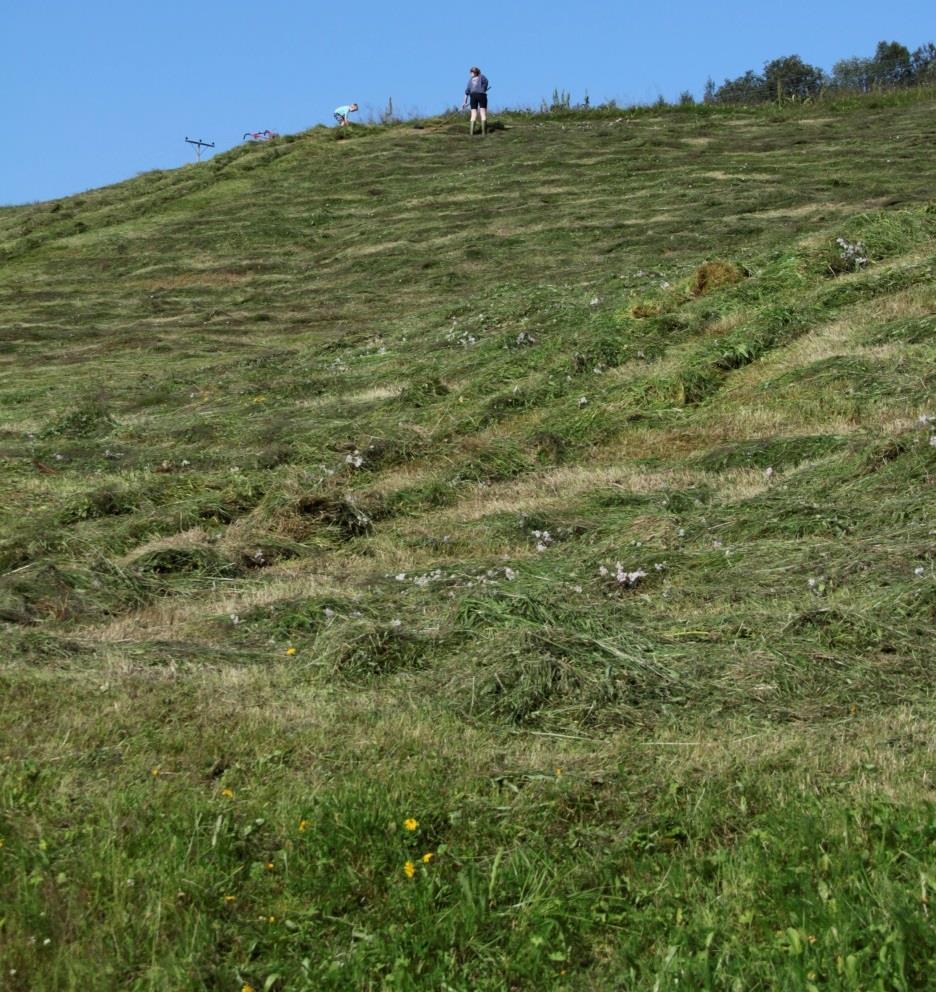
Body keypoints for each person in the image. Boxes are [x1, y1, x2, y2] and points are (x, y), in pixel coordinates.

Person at [462, 67, 490, 135]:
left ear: (473, 72)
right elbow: (486, 82)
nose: (470, 74)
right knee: (482, 113)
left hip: (473, 96)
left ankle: (471, 134)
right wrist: (483, 89)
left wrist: (464, 102)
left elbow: (467, 92)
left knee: (473, 114)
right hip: (481, 95)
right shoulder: (482, 77)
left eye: (471, 72)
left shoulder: (470, 80)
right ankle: (484, 133)